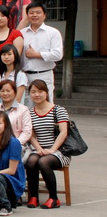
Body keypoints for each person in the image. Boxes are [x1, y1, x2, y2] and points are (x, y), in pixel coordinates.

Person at [26, 79, 71, 209]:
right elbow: (31, 135)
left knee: (43, 162)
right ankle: (33, 197)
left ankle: (53, 198)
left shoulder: (58, 110)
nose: (37, 95)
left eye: (40, 91)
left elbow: (64, 132)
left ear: (46, 92)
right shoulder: (30, 112)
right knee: (31, 161)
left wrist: (52, 149)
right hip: (40, 149)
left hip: (59, 152)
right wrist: (39, 149)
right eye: (33, 92)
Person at [21, 2, 63, 103]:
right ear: (27, 15)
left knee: (45, 106)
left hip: (44, 75)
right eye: (31, 13)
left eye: (38, 12)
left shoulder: (53, 33)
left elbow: (57, 54)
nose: (34, 15)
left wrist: (36, 54)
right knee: (26, 107)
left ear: (44, 15)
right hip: (25, 77)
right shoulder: (22, 33)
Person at [0, 80, 32, 148]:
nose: (5, 93)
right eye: (2, 91)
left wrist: (15, 143)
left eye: (8, 91)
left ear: (15, 92)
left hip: (17, 145)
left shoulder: (23, 109)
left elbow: (27, 131)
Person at [0, 5, 24, 69]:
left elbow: (16, 57)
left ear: (8, 18)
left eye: (3, 16)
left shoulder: (16, 34)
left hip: (8, 71)